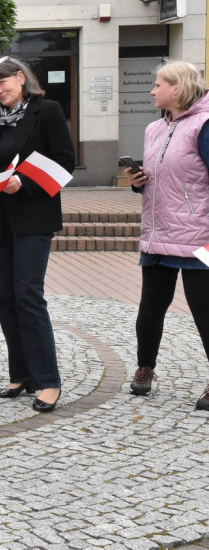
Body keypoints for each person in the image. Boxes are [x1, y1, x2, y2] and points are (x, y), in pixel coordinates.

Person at [0, 56, 75, 413]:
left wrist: (25, 182)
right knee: (6, 298)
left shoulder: (46, 111)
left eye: (2, 82)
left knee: (28, 296)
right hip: (0, 220)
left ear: (20, 77)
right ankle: (20, 373)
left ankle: (48, 380)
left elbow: (65, 161)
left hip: (34, 217)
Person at [125, 62, 209, 410]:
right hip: (158, 234)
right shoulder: (153, 128)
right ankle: (146, 368)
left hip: (200, 237)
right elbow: (165, 177)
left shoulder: (205, 125)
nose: (152, 90)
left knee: (205, 311)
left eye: (158, 84)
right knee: (151, 307)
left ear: (178, 88)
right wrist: (137, 183)